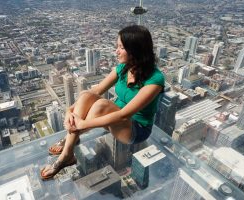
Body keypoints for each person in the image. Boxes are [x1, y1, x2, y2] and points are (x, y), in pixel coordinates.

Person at [40, 25, 165, 180]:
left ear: (135, 50)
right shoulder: (123, 69)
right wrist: (69, 111)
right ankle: (69, 148)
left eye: (121, 47)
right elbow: (96, 90)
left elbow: (124, 115)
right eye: (117, 46)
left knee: (101, 105)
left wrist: (81, 125)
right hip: (112, 118)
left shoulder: (155, 80)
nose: (116, 51)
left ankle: (66, 153)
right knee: (87, 94)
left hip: (135, 129)